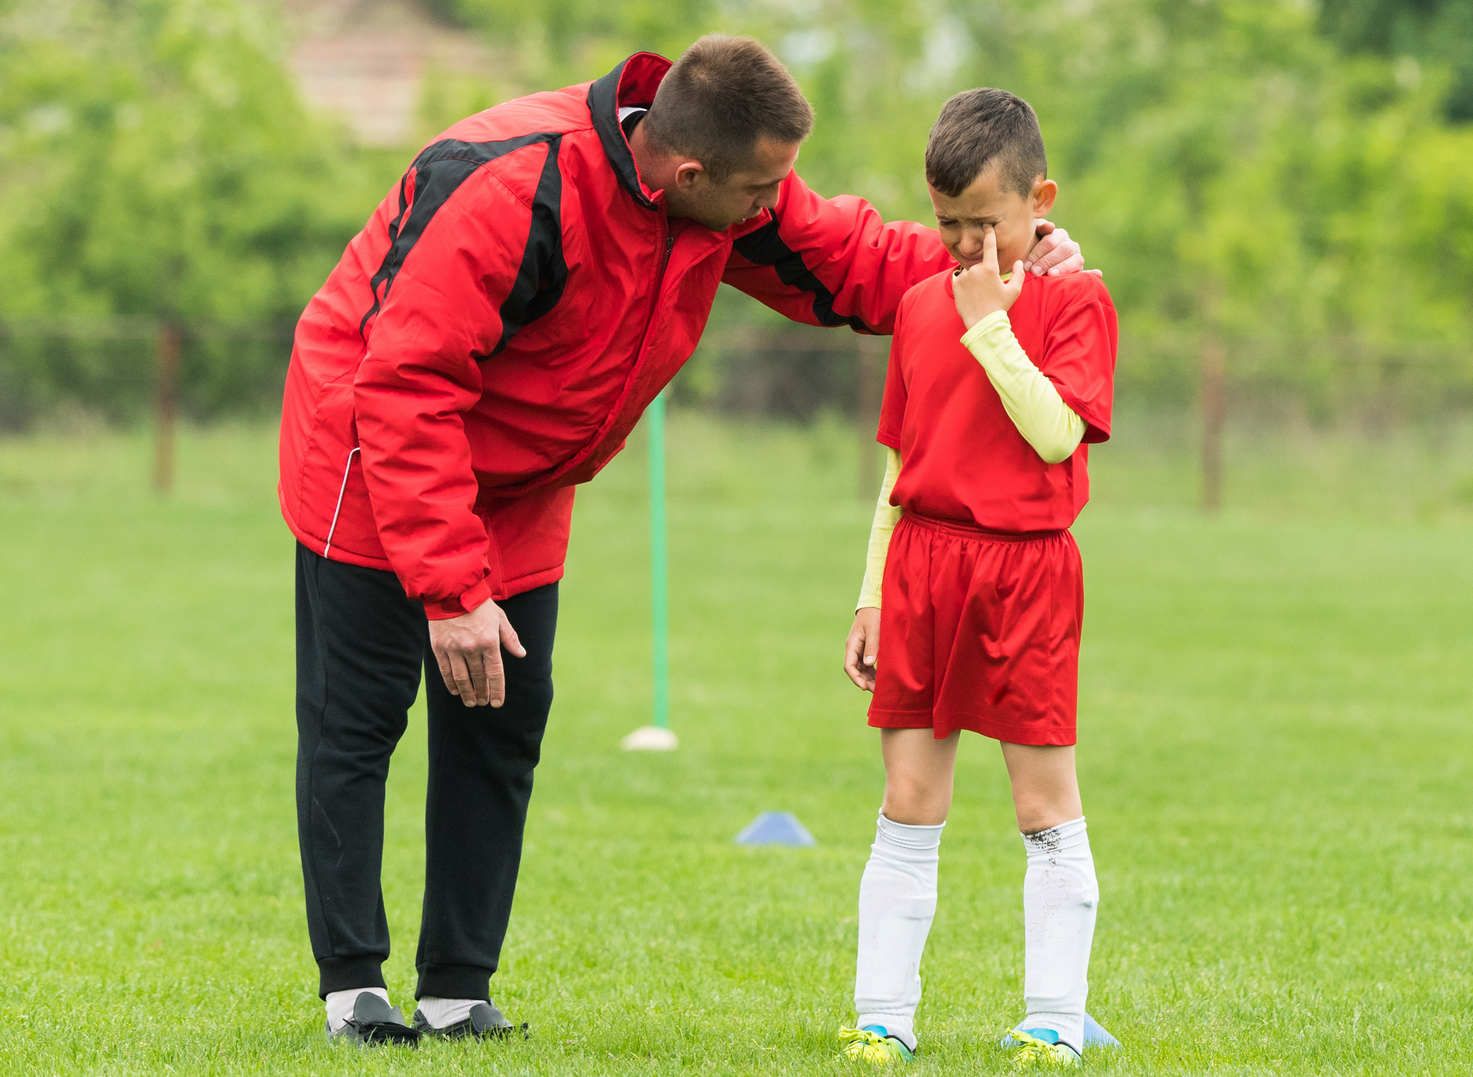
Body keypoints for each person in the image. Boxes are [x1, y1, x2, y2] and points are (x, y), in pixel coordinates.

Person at [279, 35, 1087, 1045]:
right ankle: (354, 988)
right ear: (690, 172)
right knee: (360, 725)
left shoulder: (727, 189)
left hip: (524, 479)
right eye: (758, 192)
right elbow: (404, 382)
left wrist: (997, 257)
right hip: (368, 444)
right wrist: (449, 592)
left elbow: (854, 260)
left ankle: (455, 991)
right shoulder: (507, 188)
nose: (771, 210)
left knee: (502, 716)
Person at [837, 88, 1117, 1068]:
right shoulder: (918, 307)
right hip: (923, 572)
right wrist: (872, 592)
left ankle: (1052, 1016)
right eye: (948, 225)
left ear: (1039, 202)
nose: (966, 248)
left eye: (986, 225)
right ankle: (882, 1017)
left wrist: (994, 328)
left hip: (1027, 572)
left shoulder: (1077, 301)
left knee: (1043, 802)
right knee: (909, 796)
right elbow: (898, 472)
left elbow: (1055, 434)